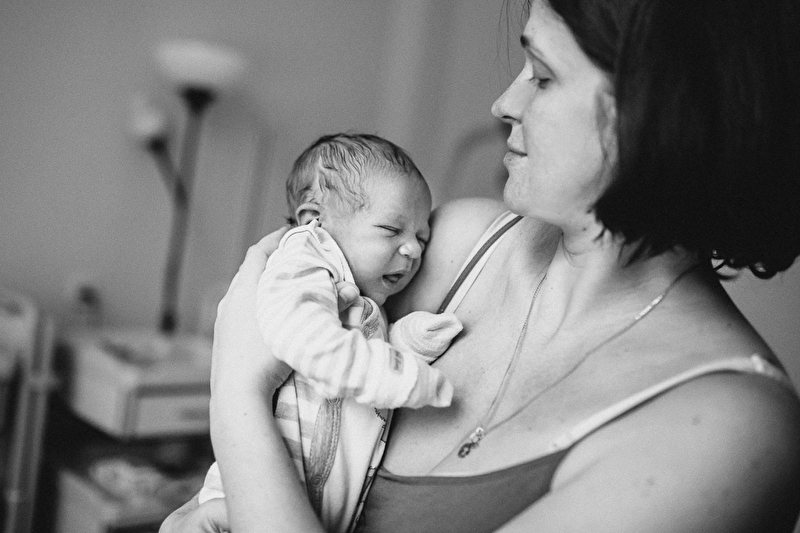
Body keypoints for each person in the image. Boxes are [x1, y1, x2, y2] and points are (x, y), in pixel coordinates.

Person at [162, 0, 800, 531]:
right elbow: (300, 427)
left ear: (660, 110)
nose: (503, 103)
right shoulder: (458, 244)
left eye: (542, 76)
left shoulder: (727, 431)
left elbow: (256, 391)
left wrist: (236, 395)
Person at [196, 133, 460, 533]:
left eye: (421, 237)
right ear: (313, 221)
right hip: (251, 497)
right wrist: (393, 375)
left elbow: (351, 354)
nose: (413, 250)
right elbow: (308, 340)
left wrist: (408, 340)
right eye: (392, 229)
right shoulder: (302, 259)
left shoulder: (355, 292)